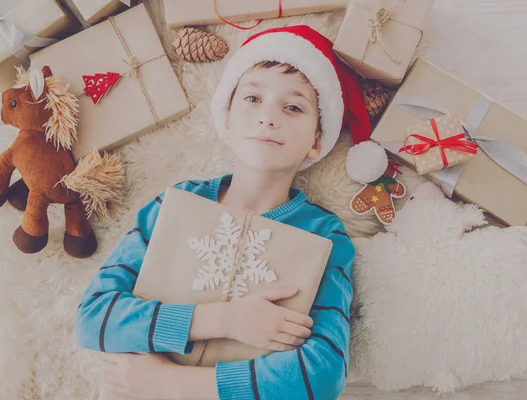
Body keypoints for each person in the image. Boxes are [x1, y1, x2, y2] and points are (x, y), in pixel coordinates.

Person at [75, 25, 388, 400]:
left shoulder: (325, 235)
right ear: (226, 114)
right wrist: (224, 320)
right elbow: (94, 317)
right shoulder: (174, 203)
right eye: (253, 98)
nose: (268, 117)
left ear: (317, 139)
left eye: (293, 107)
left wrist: (168, 384)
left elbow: (322, 374)